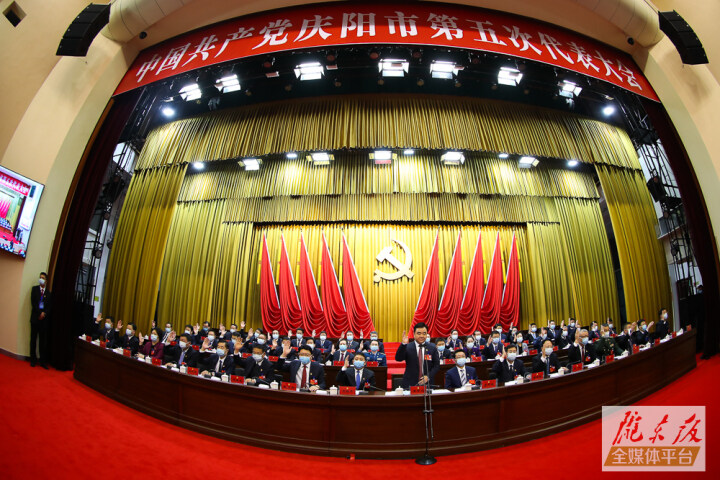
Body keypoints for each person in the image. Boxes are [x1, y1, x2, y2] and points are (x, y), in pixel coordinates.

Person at [395, 322, 440, 389]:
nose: (421, 336)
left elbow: (436, 365)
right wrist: (403, 344)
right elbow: (398, 358)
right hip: (410, 383)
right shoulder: (408, 347)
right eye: (419, 333)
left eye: (424, 333)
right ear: (414, 334)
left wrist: (428, 376)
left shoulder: (432, 348)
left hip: (427, 384)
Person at [29, 272, 51, 368]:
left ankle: (42, 361)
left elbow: (49, 307)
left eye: (43, 278)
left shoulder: (48, 294)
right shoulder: (34, 289)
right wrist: (39, 313)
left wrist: (44, 313)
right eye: (40, 277)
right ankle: (33, 360)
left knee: (42, 342)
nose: (41, 279)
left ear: (46, 281)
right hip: (35, 318)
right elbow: (33, 303)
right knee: (33, 340)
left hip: (43, 321)